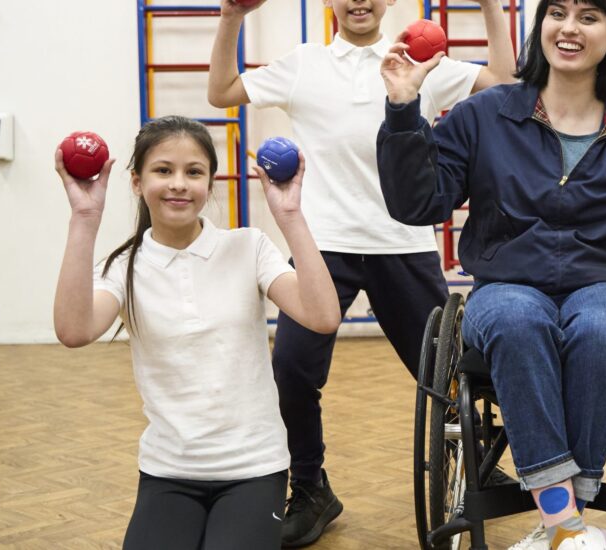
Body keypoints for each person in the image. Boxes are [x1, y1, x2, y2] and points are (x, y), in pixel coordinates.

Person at [377, 1, 606, 547]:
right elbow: (418, 203)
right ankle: (567, 523)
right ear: (540, 26)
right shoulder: (483, 116)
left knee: (601, 329)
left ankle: (560, 522)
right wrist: (403, 107)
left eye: (589, 17)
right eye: (557, 12)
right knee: (517, 319)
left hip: (605, 287)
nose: (568, 28)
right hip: (507, 285)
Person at [206, 0, 517, 544]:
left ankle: (478, 464)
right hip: (324, 245)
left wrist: (492, 7)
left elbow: (504, 83)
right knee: (293, 371)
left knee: (452, 373)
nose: (359, 2)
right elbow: (222, 92)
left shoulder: (417, 60)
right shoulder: (303, 64)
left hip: (404, 241)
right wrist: (233, 15)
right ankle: (310, 487)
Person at [53, 116, 340, 550]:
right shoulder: (124, 267)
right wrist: (85, 217)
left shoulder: (249, 247)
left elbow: (322, 317)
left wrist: (291, 216)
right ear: (136, 182)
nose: (179, 184)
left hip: (253, 466)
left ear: (209, 182)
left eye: (194, 172)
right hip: (169, 469)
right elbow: (74, 330)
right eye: (163, 170)